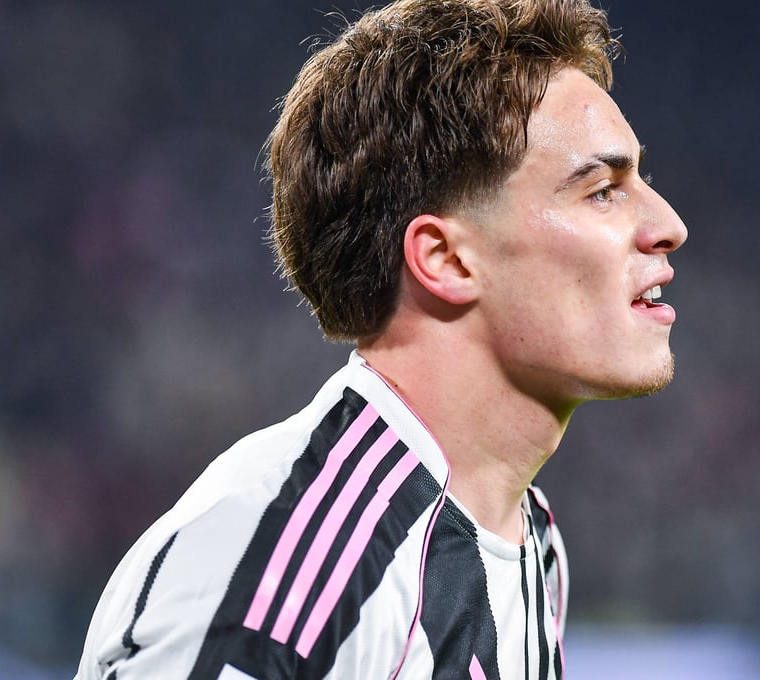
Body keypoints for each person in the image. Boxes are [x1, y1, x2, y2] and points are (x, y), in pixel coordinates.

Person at [75, 0, 687, 677]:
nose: (668, 225)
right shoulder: (291, 569)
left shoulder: (528, 544)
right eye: (602, 190)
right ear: (447, 260)